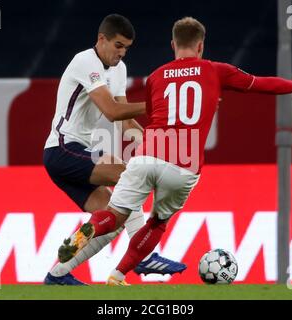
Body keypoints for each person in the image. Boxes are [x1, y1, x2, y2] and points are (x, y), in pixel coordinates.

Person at [57, 16, 292, 285]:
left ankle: (89, 231)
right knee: (157, 223)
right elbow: (259, 84)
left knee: (114, 217)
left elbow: (157, 115)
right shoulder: (216, 70)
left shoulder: (155, 76)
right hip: (183, 165)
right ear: (200, 46)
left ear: (173, 44)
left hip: (147, 156)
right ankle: (117, 276)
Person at [43, 14, 186, 286]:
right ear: (102, 39)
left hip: (77, 153)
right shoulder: (84, 61)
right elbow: (111, 111)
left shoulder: (118, 69)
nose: (121, 53)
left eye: (126, 48)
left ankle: (57, 275)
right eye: (118, 45)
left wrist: (158, 148)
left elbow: (124, 123)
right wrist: (157, 105)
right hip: (61, 149)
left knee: (113, 220)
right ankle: (144, 255)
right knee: (127, 173)